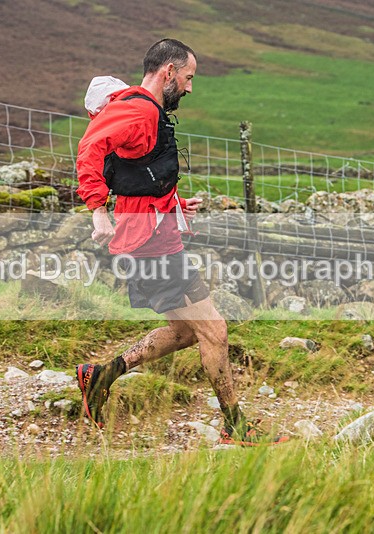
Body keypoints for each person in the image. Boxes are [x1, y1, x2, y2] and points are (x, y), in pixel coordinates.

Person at [74, 38, 287, 446]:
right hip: (149, 245)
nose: (190, 88)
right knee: (215, 330)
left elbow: (142, 175)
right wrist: (98, 209)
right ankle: (236, 426)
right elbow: (89, 148)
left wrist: (172, 202)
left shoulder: (149, 112)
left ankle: (101, 375)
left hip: (155, 237)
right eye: (188, 77)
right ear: (168, 72)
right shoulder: (138, 110)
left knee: (187, 331)